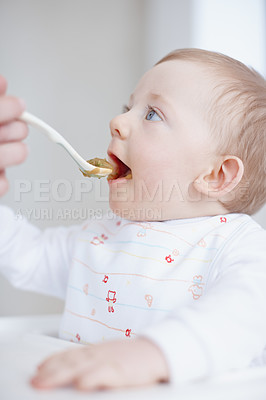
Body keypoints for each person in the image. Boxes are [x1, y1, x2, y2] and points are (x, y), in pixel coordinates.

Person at [0, 48, 266, 392]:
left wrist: (155, 354)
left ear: (216, 175)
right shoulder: (99, 237)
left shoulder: (234, 245)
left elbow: (250, 312)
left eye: (152, 114)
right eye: (129, 108)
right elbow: (26, 256)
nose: (118, 121)